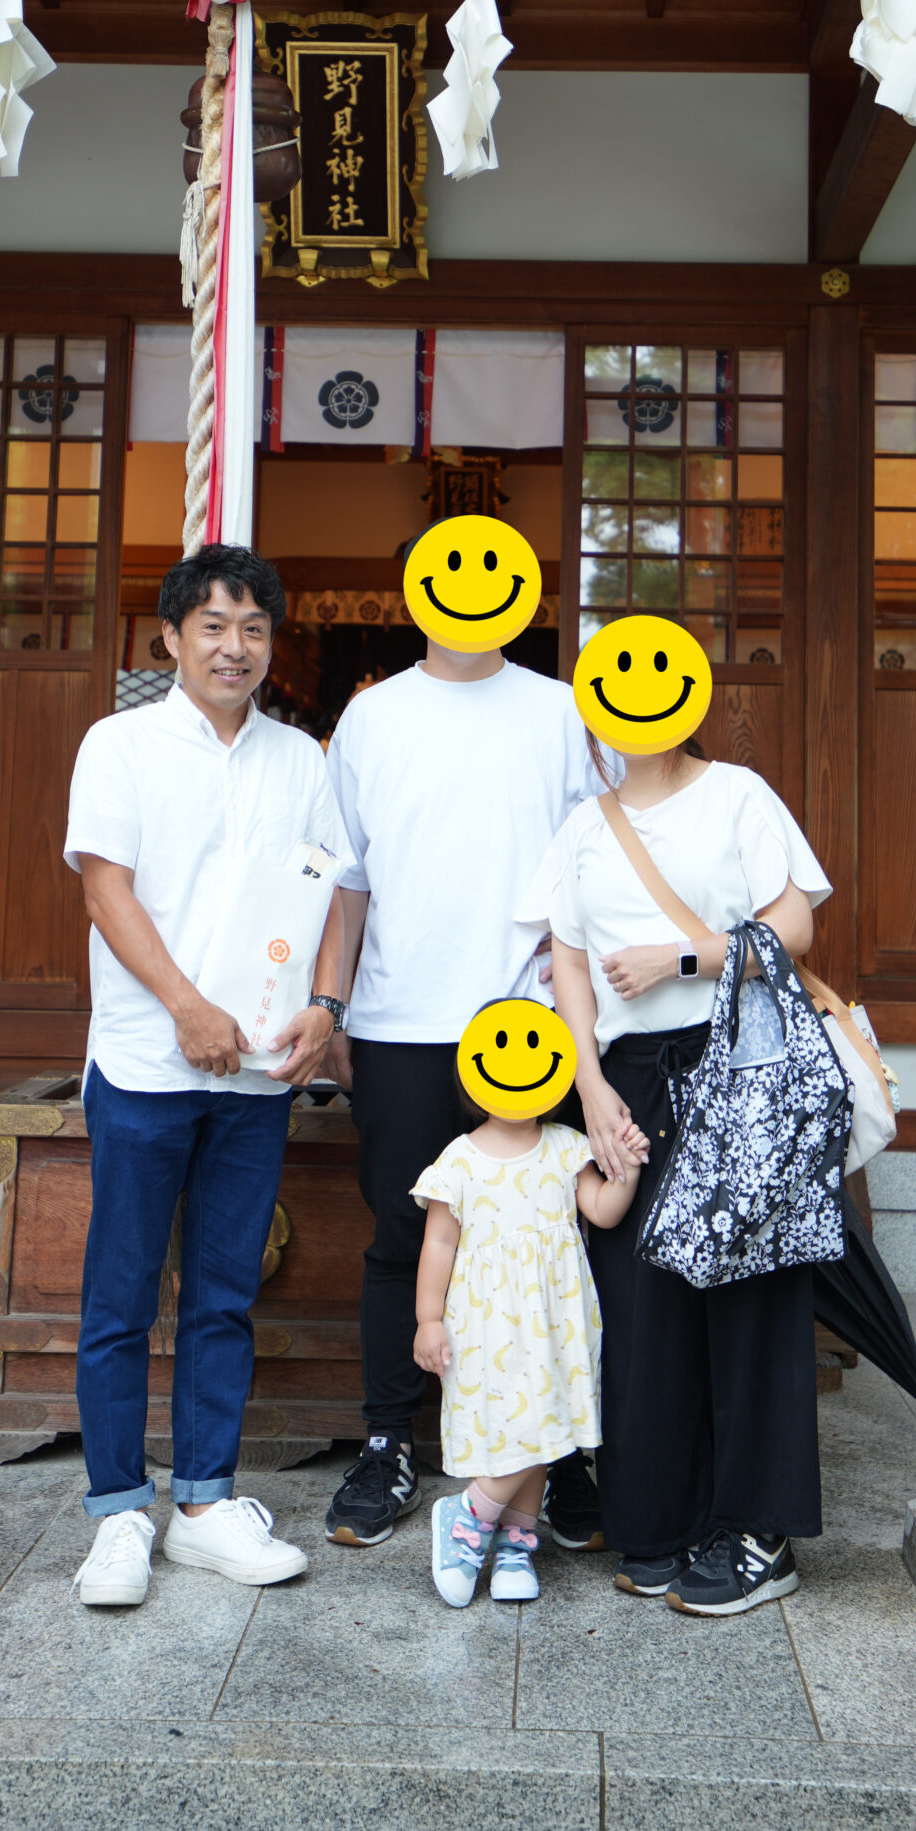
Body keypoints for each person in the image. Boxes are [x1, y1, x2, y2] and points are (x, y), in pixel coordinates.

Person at [63, 545, 347, 1609]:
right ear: (172, 638)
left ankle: (204, 1506)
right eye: (215, 626)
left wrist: (326, 1006)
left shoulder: (300, 758)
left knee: (225, 1295)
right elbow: (106, 891)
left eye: (254, 629)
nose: (236, 647)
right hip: (146, 1060)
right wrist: (186, 1006)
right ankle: (116, 1512)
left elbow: (332, 894)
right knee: (122, 1294)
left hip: (257, 1075)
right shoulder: (121, 743)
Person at [321, 517, 611, 1551]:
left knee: (554, 1241)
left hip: (532, 1023)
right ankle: (388, 1442)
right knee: (405, 1236)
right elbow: (346, 878)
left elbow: (596, 862)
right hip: (399, 1020)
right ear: (414, 590)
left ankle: (562, 1454)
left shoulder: (563, 710)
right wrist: (333, 1006)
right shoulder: (370, 716)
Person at [521, 733, 832, 1618]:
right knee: (639, 1303)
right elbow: (567, 963)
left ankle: (758, 1534)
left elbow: (793, 925)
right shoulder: (585, 826)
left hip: (738, 1066)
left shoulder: (736, 792)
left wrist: (680, 958)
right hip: (628, 1077)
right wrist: (588, 1087)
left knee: (750, 1297)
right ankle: (658, 1521)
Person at [411, 1009, 646, 1607]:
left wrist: (626, 1167)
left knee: (545, 1428)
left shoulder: (567, 1148)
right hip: (487, 1323)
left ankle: (515, 1543)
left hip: (555, 1321)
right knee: (515, 1429)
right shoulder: (459, 1161)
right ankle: (470, 1515)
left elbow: (603, 1211)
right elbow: (438, 1244)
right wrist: (428, 1319)